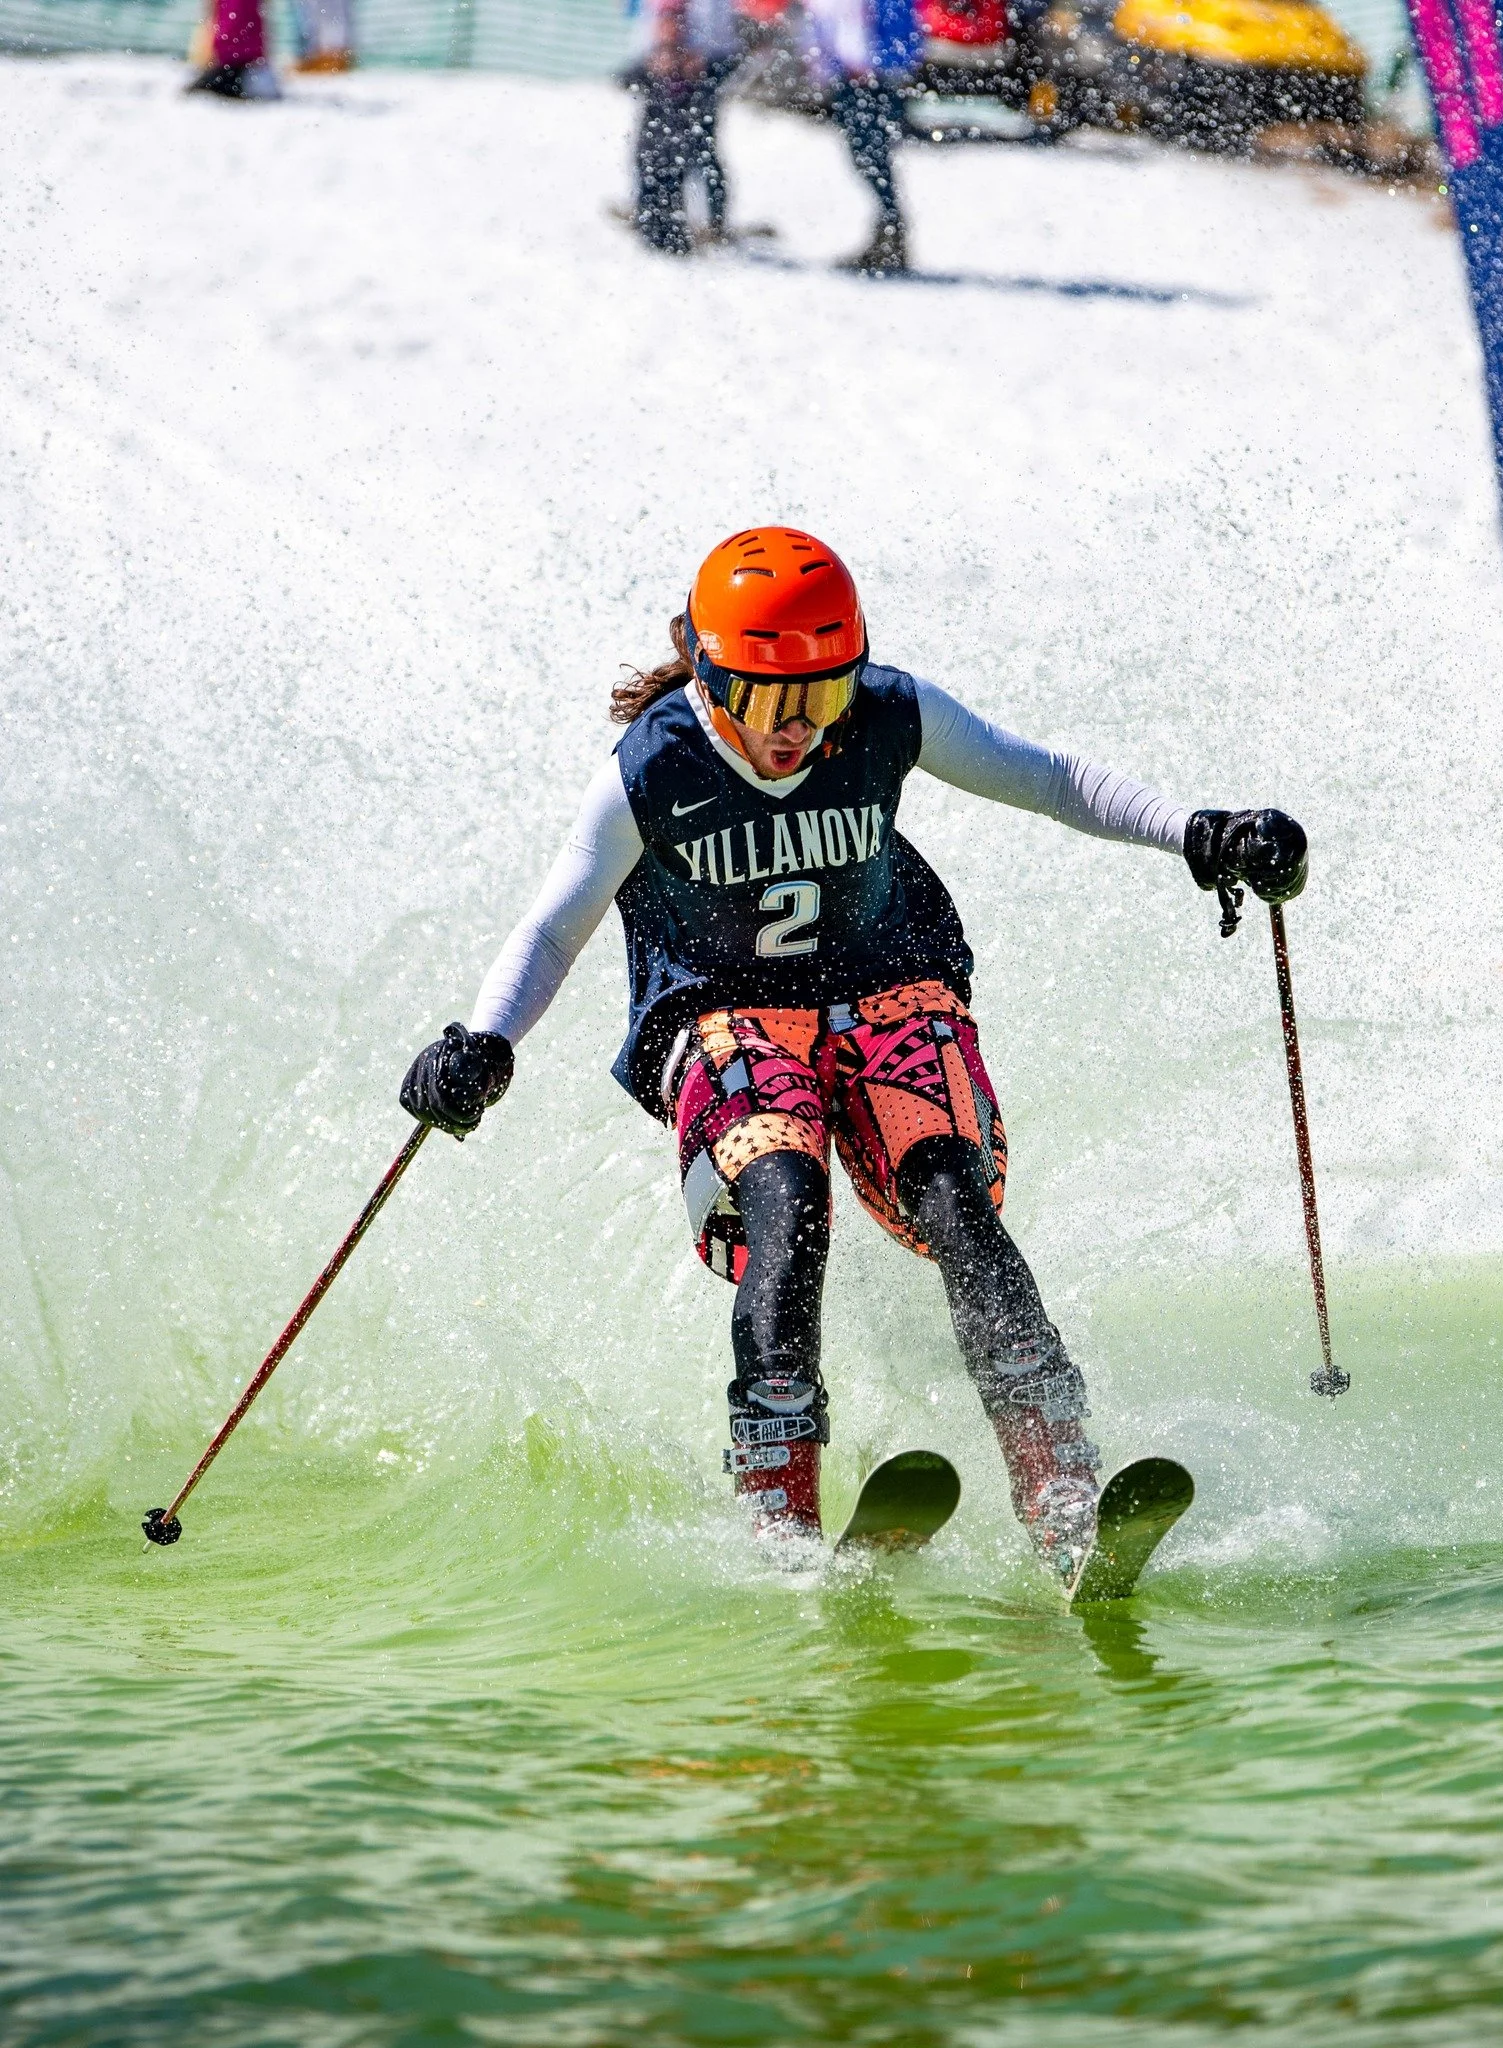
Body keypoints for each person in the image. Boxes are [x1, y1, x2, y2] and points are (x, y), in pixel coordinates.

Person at [399, 528, 1306, 1582]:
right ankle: (778, 1513)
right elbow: (555, 927)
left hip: (886, 995)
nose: (798, 731)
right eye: (773, 703)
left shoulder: (888, 711)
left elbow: (1045, 777)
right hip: (725, 1017)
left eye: (822, 699)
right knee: (787, 1205)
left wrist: (1200, 833)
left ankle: (1060, 1485)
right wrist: (483, 1043)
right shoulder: (650, 768)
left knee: (954, 1201)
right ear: (710, 674)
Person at [800, 0, 920, 272]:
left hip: (871, 79)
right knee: (866, 155)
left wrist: (869, 64)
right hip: (857, 77)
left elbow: (882, 27)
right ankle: (889, 230)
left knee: (872, 155)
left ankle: (891, 232)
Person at [630, 0, 742, 255]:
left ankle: (708, 221)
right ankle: (658, 216)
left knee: (695, 147)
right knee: (664, 145)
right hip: (670, 58)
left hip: (699, 60)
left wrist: (686, 50)